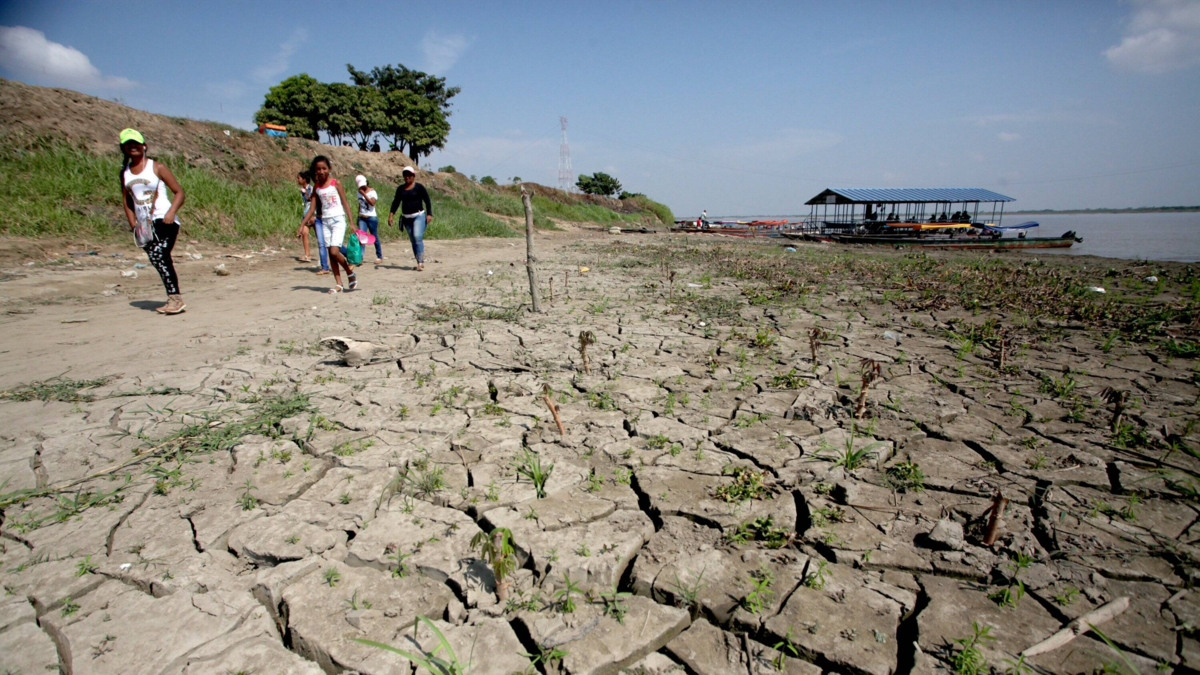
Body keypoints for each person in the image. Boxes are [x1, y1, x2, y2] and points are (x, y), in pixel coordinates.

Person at [118, 128, 187, 315]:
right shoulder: (125, 173)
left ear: (144, 146)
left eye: (136, 143)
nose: (132, 146)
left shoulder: (157, 167)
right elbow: (127, 201)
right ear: (123, 148)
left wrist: (171, 212)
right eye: (128, 144)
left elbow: (179, 192)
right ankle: (173, 297)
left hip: (164, 218)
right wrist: (133, 224)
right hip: (144, 225)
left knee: (160, 254)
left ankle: (175, 299)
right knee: (157, 259)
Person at [301, 156, 357, 293]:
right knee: (331, 254)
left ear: (329, 169)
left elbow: (345, 202)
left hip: (338, 220)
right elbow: (312, 208)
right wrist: (302, 225)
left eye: (324, 168)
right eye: (318, 169)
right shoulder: (317, 187)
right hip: (325, 222)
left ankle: (349, 272)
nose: (321, 171)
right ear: (315, 171)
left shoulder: (336, 183)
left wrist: (351, 222)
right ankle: (339, 284)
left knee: (334, 251)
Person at [387, 166, 432, 271]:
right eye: (405, 175)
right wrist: (391, 215)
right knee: (413, 240)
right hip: (406, 218)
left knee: (417, 236)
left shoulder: (419, 187)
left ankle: (421, 262)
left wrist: (429, 214)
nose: (407, 177)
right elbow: (396, 202)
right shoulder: (400, 189)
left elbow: (427, 200)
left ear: (413, 176)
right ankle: (418, 261)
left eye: (409, 175)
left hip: (419, 216)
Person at [295, 171, 330, 274]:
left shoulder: (311, 188)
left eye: (299, 178)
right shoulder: (304, 189)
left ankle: (323, 258)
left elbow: (311, 200)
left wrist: (305, 192)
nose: (298, 180)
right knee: (304, 233)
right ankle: (307, 255)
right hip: (306, 214)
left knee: (320, 238)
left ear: (304, 179)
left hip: (313, 214)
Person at [355, 175, 382, 264]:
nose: (362, 187)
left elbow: (372, 203)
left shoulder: (372, 192)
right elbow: (360, 204)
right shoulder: (358, 192)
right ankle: (360, 257)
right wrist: (358, 216)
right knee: (361, 237)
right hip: (362, 217)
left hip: (371, 217)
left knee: (374, 236)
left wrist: (364, 194)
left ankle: (379, 256)